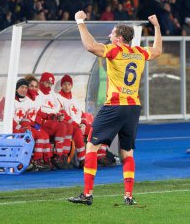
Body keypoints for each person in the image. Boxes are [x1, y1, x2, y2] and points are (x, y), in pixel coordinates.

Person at [68, 11, 162, 206]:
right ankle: (128, 196)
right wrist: (157, 26)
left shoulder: (115, 50)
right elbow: (158, 50)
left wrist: (79, 21)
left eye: (112, 33)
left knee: (91, 146)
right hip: (133, 108)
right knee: (127, 152)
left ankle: (87, 194)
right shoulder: (138, 52)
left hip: (115, 106)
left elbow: (90, 46)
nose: (110, 35)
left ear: (119, 39)